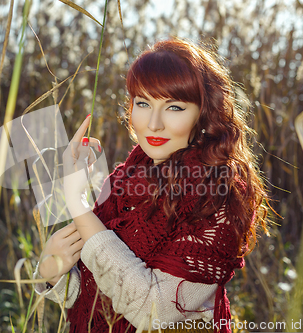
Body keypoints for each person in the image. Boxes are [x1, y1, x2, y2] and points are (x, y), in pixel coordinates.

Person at [33, 37, 268, 333]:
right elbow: (100, 294)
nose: (154, 123)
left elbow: (153, 311)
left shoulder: (216, 196)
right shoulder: (126, 181)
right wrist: (53, 274)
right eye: (143, 103)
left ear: (204, 114)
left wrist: (77, 203)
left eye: (174, 107)